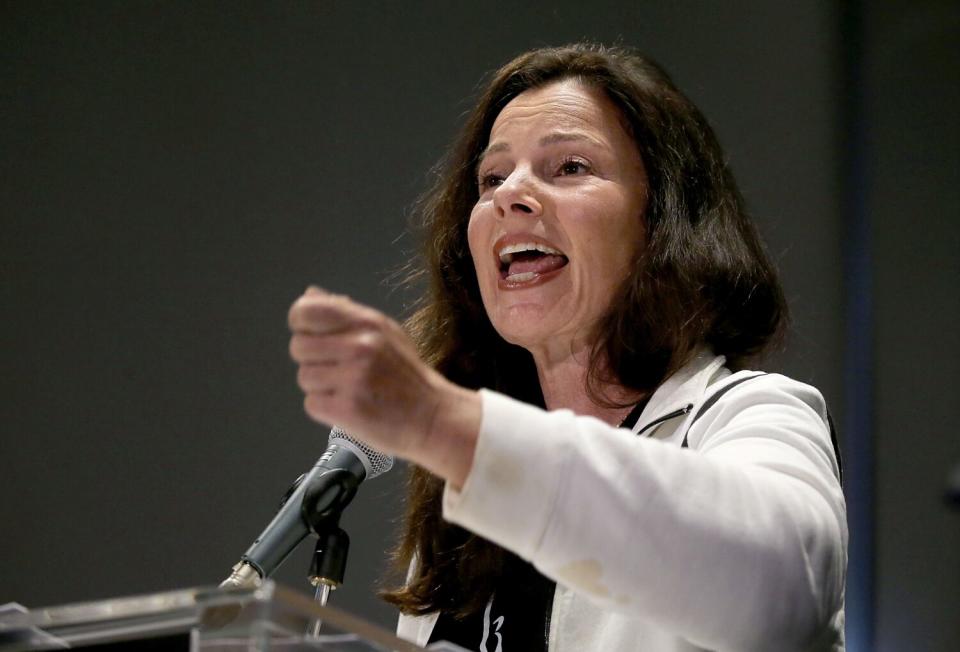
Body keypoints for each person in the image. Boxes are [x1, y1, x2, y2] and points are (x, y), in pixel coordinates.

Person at [287, 43, 847, 652]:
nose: (510, 195)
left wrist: (443, 422)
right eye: (492, 178)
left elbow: (779, 592)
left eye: (570, 167)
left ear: (661, 219)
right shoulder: (461, 524)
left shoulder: (754, 415)